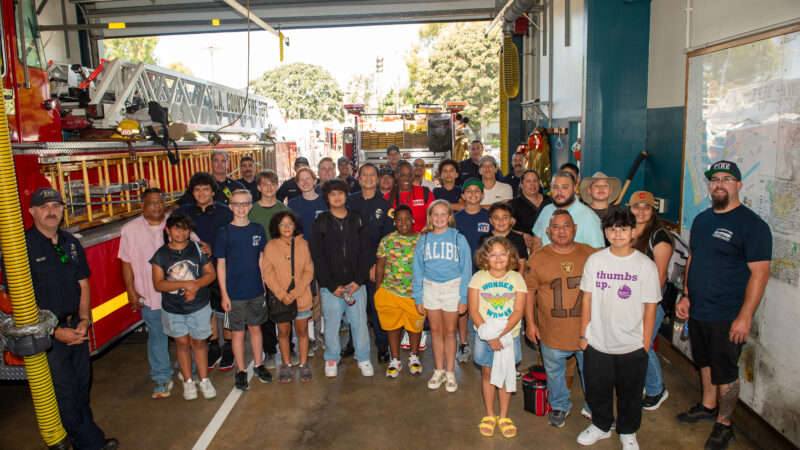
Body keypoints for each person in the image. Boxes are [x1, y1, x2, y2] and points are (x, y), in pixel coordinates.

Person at [675, 160, 771, 450]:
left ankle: (725, 424)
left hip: (727, 314)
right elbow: (693, 258)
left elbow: (760, 273)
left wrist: (745, 317)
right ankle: (707, 406)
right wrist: (686, 295)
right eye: (714, 179)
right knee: (703, 362)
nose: (719, 183)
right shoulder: (703, 219)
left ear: (738, 185)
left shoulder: (752, 226)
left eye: (726, 179)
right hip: (699, 309)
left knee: (725, 370)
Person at [26, 187, 118, 450]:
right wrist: (55, 332)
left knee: (80, 388)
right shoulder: (22, 250)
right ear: (32, 211)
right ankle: (92, 442)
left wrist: (84, 320)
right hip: (48, 337)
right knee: (65, 393)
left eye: (56, 206)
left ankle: (81, 439)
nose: (51, 212)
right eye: (44, 207)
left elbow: (83, 283)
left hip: (76, 328)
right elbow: (21, 302)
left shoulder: (70, 242)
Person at [577, 207, 660, 449]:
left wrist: (645, 344)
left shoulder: (645, 265)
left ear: (633, 232)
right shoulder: (595, 260)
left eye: (623, 229)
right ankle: (601, 425)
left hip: (632, 344)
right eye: (612, 229)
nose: (617, 234)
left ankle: (628, 431)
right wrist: (584, 335)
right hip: (598, 341)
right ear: (605, 232)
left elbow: (650, 308)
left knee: (631, 393)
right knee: (596, 389)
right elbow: (587, 299)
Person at [525, 210, 597, 428]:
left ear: (575, 228)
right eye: (556, 227)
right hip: (552, 331)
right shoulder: (538, 258)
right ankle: (559, 406)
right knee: (555, 373)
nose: (562, 231)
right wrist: (530, 323)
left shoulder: (591, 255)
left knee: (592, 373)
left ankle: (594, 406)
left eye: (566, 225)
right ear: (548, 231)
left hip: (587, 331)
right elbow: (529, 292)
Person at [309, 179, 374, 378]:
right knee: (331, 324)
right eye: (332, 194)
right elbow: (317, 257)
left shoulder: (358, 218)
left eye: (340, 193)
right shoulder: (320, 222)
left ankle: (363, 358)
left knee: (359, 322)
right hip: (331, 287)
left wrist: (359, 280)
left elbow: (367, 252)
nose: (337, 197)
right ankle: (331, 357)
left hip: (356, 285)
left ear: (346, 195)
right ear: (327, 198)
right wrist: (330, 285)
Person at [151, 213, 218, 401]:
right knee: (181, 344)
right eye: (177, 228)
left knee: (199, 343)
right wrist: (185, 285)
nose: (181, 232)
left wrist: (194, 286)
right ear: (168, 231)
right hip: (173, 309)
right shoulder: (161, 255)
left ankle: (203, 379)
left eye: (185, 228)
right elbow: (159, 284)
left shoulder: (197, 249)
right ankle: (188, 382)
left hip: (198, 306)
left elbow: (210, 274)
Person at [175, 172, 235, 371]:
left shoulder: (226, 212)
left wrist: (214, 249)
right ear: (192, 192)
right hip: (193, 273)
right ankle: (213, 345)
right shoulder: (183, 212)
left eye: (205, 189)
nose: (201, 193)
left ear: (213, 191)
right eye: (197, 189)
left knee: (224, 307)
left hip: (220, 267)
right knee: (204, 309)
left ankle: (228, 347)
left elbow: (233, 240)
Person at [469, 236, 527, 439]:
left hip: (508, 337)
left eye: (503, 253)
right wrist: (490, 336)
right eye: (493, 254)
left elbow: (519, 311)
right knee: (488, 374)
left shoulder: (516, 278)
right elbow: (474, 310)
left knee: (504, 375)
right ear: (485, 257)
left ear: (510, 255)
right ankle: (490, 415)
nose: (498, 258)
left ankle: (503, 416)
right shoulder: (478, 278)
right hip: (485, 337)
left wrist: (500, 336)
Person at [412, 200, 472, 392]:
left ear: (450, 217)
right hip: (430, 289)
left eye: (443, 214)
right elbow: (417, 269)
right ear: (430, 218)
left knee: (449, 331)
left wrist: (464, 298)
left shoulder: (458, 239)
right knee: (436, 332)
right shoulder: (424, 239)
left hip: (453, 289)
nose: (439, 218)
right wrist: (418, 296)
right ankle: (438, 370)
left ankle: (450, 372)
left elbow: (467, 270)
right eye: (435, 214)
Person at [119, 188, 174, 399]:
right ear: (143, 206)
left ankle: (190, 371)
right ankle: (162, 378)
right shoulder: (129, 230)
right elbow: (126, 263)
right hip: (149, 296)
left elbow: (195, 246)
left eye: (160, 202)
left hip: (175, 295)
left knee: (182, 337)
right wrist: (131, 291)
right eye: (152, 202)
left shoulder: (175, 224)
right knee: (157, 338)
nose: (157, 206)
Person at [215, 190, 271, 391]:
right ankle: (241, 370)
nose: (241, 208)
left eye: (245, 203)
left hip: (255, 290)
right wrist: (224, 293)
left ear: (251, 206)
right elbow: (220, 264)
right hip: (234, 293)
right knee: (237, 334)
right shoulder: (225, 233)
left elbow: (261, 258)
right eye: (237, 204)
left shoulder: (257, 229)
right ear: (230, 206)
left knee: (256, 329)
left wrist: (263, 284)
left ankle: (258, 364)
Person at [346, 163, 395, 363]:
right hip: (352, 265)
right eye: (364, 174)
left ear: (377, 179)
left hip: (376, 266)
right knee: (353, 305)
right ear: (358, 177)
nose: (368, 177)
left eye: (372, 174)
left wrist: (377, 266)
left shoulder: (385, 207)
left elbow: (388, 239)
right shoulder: (348, 202)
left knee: (378, 306)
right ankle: (352, 341)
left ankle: (382, 343)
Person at [629, 191, 672, 411]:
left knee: (642, 343)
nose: (642, 211)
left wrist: (647, 306)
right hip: (632, 299)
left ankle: (656, 389)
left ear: (653, 210)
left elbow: (660, 277)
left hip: (651, 300)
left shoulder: (660, 236)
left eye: (646, 207)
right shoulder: (630, 231)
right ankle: (648, 383)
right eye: (637, 206)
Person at [263, 211, 315, 383]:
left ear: (295, 226)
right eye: (282, 224)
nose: (286, 227)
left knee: (302, 332)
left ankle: (303, 364)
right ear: (276, 227)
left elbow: (309, 271)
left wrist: (294, 293)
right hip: (281, 300)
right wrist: (282, 295)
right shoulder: (270, 246)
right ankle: (286, 364)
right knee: (284, 333)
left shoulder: (303, 245)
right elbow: (267, 274)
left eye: (290, 224)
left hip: (301, 298)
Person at [374, 205, 425, 377]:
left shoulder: (422, 239)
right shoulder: (387, 240)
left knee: (415, 328)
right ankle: (395, 359)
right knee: (393, 327)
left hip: (415, 295)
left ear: (413, 220)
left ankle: (414, 357)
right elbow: (380, 267)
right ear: (394, 222)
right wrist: (378, 291)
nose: (403, 222)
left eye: (407, 219)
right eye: (399, 219)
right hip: (390, 292)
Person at [248, 169, 290, 367]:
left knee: (284, 307)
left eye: (272, 184)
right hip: (258, 266)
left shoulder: (283, 209)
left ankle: (289, 347)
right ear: (258, 187)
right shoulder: (252, 211)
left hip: (282, 266)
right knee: (264, 309)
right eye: (264, 184)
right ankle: (270, 350)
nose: (269, 188)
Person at [454, 178, 491, 362]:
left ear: (483, 195)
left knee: (484, 307)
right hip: (461, 270)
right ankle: (463, 343)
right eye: (469, 191)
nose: (473, 194)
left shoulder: (488, 217)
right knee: (464, 308)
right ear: (463, 196)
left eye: (477, 191)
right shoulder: (456, 218)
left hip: (484, 270)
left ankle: (485, 340)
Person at [532, 171, 604, 252]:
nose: (559, 192)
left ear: (574, 188)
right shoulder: (546, 210)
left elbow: (598, 252)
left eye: (565, 187)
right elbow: (536, 242)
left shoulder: (588, 217)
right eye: (555, 187)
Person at [174, 150, 244, 207]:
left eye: (223, 161)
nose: (219, 164)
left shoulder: (238, 186)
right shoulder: (198, 186)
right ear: (211, 164)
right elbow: (178, 205)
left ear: (228, 165)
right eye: (216, 161)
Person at [478, 203, 528, 272]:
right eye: (496, 218)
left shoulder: (518, 239)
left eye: (505, 217)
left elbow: (522, 263)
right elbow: (482, 264)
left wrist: (517, 281)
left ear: (511, 220)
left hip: (512, 280)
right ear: (491, 221)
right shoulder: (484, 239)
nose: (501, 221)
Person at [385, 160, 434, 233]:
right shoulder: (388, 197)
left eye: (410, 175)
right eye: (403, 175)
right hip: (397, 242)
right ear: (396, 175)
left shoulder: (425, 192)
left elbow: (432, 220)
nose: (406, 178)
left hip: (421, 240)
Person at [511, 169, 552, 251]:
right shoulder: (514, 204)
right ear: (521, 185)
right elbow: (505, 228)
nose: (532, 184)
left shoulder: (550, 201)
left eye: (535, 180)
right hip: (525, 247)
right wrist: (522, 234)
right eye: (528, 181)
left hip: (549, 245)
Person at [287, 167, 328, 242]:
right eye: (302, 180)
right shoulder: (292, 205)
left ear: (315, 181)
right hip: (301, 248)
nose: (305, 182)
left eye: (308, 178)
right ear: (298, 184)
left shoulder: (326, 201)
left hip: (323, 247)